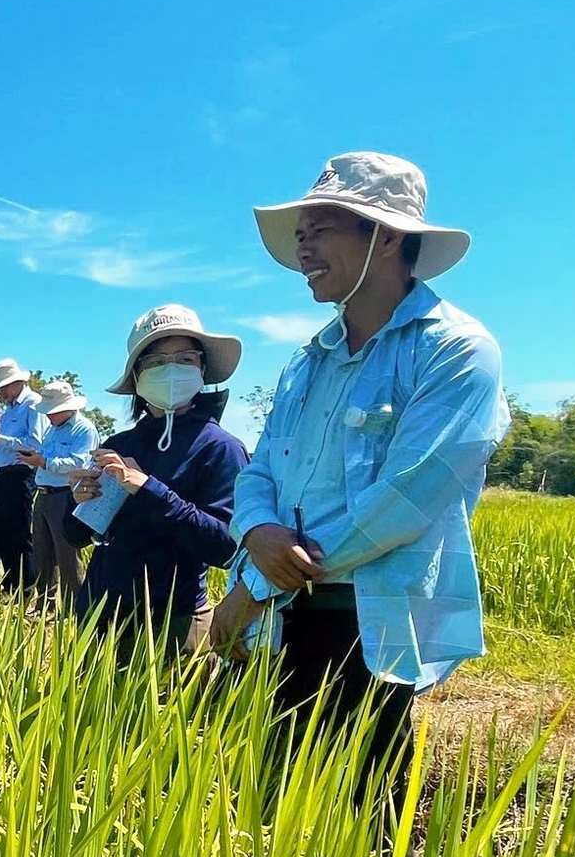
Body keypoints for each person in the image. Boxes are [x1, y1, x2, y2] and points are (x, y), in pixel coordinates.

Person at [207, 151, 510, 798]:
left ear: (388, 235)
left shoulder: (456, 350)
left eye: (322, 227)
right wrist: (256, 529)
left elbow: (401, 504)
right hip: (273, 622)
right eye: (301, 231)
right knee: (257, 806)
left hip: (363, 622)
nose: (303, 244)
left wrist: (256, 584)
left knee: (350, 825)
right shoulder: (307, 359)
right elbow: (262, 467)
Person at [66, 306, 250, 659]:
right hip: (100, 616)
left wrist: (148, 489)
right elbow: (76, 536)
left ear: (202, 369)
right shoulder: (120, 445)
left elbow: (226, 548)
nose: (170, 369)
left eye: (184, 358)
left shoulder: (221, 448)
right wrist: (81, 502)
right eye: (155, 362)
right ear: (136, 376)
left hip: (174, 626)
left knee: (167, 713)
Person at [16, 380, 100, 604]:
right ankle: (46, 603)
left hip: (66, 496)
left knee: (68, 556)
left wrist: (43, 461)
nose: (49, 416)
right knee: (43, 553)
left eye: (52, 411)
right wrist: (37, 458)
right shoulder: (52, 430)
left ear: (67, 407)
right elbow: (46, 457)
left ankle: (75, 606)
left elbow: (79, 463)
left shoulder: (84, 429)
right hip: (43, 495)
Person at [0, 358, 42, 591]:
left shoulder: (33, 404)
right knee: (4, 533)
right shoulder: (8, 411)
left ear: (16, 382)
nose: (1, 392)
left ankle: (26, 588)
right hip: (3, 476)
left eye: (3, 386)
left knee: (19, 533)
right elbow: (0, 449)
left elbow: (34, 443)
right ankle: (11, 586)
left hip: (21, 474)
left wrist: (1, 440)